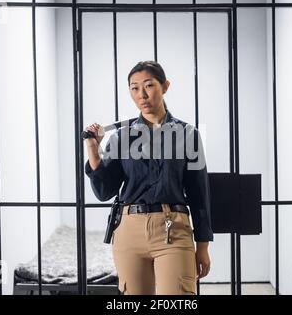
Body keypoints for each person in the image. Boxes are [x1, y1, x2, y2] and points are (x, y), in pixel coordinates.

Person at [84, 60, 213, 295]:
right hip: (128, 232)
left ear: (165, 86)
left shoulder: (187, 134)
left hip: (173, 230)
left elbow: (199, 192)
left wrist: (202, 245)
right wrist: (94, 150)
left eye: (149, 85)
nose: (141, 95)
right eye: (134, 88)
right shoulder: (121, 137)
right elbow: (104, 192)